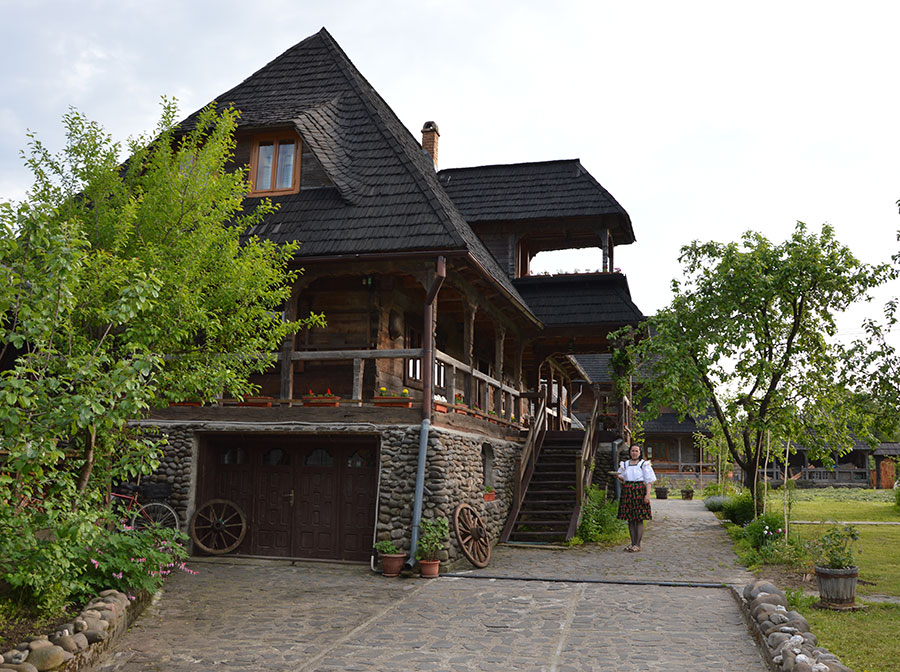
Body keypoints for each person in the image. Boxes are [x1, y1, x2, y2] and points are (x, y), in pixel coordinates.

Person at [616, 443, 656, 552]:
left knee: (638, 519)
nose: (634, 453)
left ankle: (637, 544)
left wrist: (647, 495)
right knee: (630, 519)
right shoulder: (625, 464)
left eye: (636, 451)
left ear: (640, 452)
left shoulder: (644, 464)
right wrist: (618, 477)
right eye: (632, 451)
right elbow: (623, 478)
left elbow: (649, 481)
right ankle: (632, 543)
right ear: (630, 452)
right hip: (628, 492)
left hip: (639, 492)